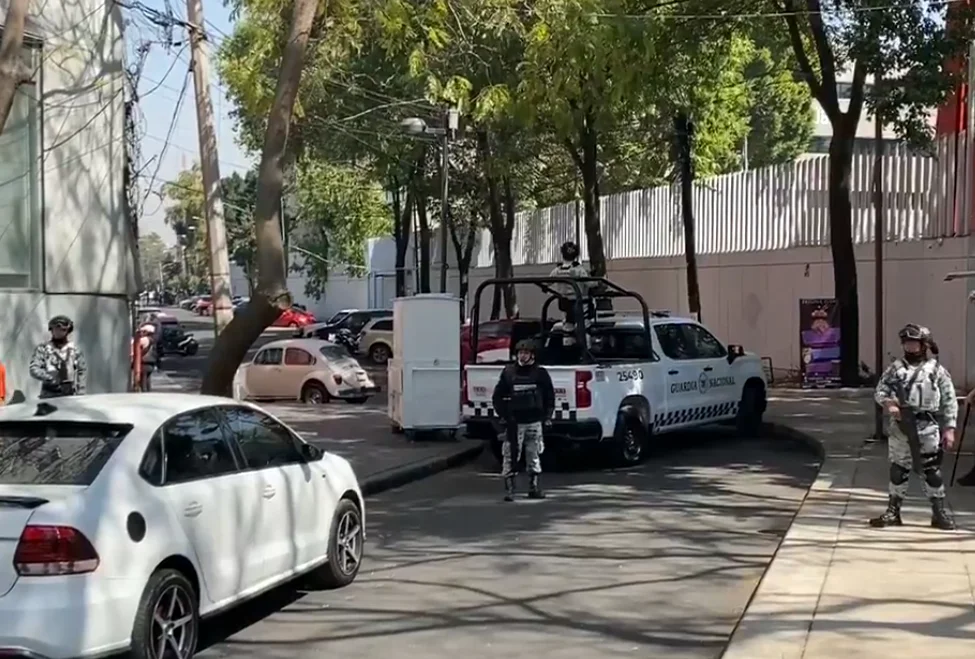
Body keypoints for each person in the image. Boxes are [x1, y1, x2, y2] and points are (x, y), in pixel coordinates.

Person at [871, 323, 957, 530]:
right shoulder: (895, 369)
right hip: (901, 425)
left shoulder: (936, 369)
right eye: (907, 343)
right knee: (898, 469)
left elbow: (949, 399)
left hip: (927, 425)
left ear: (924, 345)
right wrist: (890, 404)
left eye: (914, 343)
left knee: (931, 470)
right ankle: (893, 511)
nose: (909, 347)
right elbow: (880, 390)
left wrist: (949, 428)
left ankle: (938, 512)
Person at [492, 339, 555, 501]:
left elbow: (549, 397)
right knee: (510, 456)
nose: (523, 356)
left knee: (533, 454)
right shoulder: (509, 372)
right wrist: (504, 417)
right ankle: (510, 491)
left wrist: (547, 416)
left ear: (532, 355)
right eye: (520, 352)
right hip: (514, 423)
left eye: (526, 353)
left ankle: (534, 488)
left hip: (534, 422)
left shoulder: (540, 373)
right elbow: (497, 396)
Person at [29, 315, 87, 399]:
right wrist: (49, 377)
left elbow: (81, 370)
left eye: (62, 330)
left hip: (69, 394)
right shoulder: (43, 349)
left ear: (67, 331)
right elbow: (34, 368)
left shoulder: (74, 350)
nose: (59, 332)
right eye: (56, 329)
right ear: (51, 330)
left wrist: (81, 391)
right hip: (49, 394)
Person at [549, 241, 590, 342]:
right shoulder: (578, 269)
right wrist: (600, 282)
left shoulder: (557, 270)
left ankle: (568, 346)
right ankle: (585, 350)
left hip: (564, 302)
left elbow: (547, 282)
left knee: (567, 327)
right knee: (585, 326)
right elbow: (590, 283)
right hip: (578, 302)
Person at [137, 324, 159, 392]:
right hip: (151, 362)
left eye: (143, 331)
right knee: (147, 379)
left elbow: (137, 347)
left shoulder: (144, 340)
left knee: (143, 380)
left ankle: (144, 393)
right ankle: (148, 393)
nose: (141, 332)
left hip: (144, 362)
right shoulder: (153, 340)